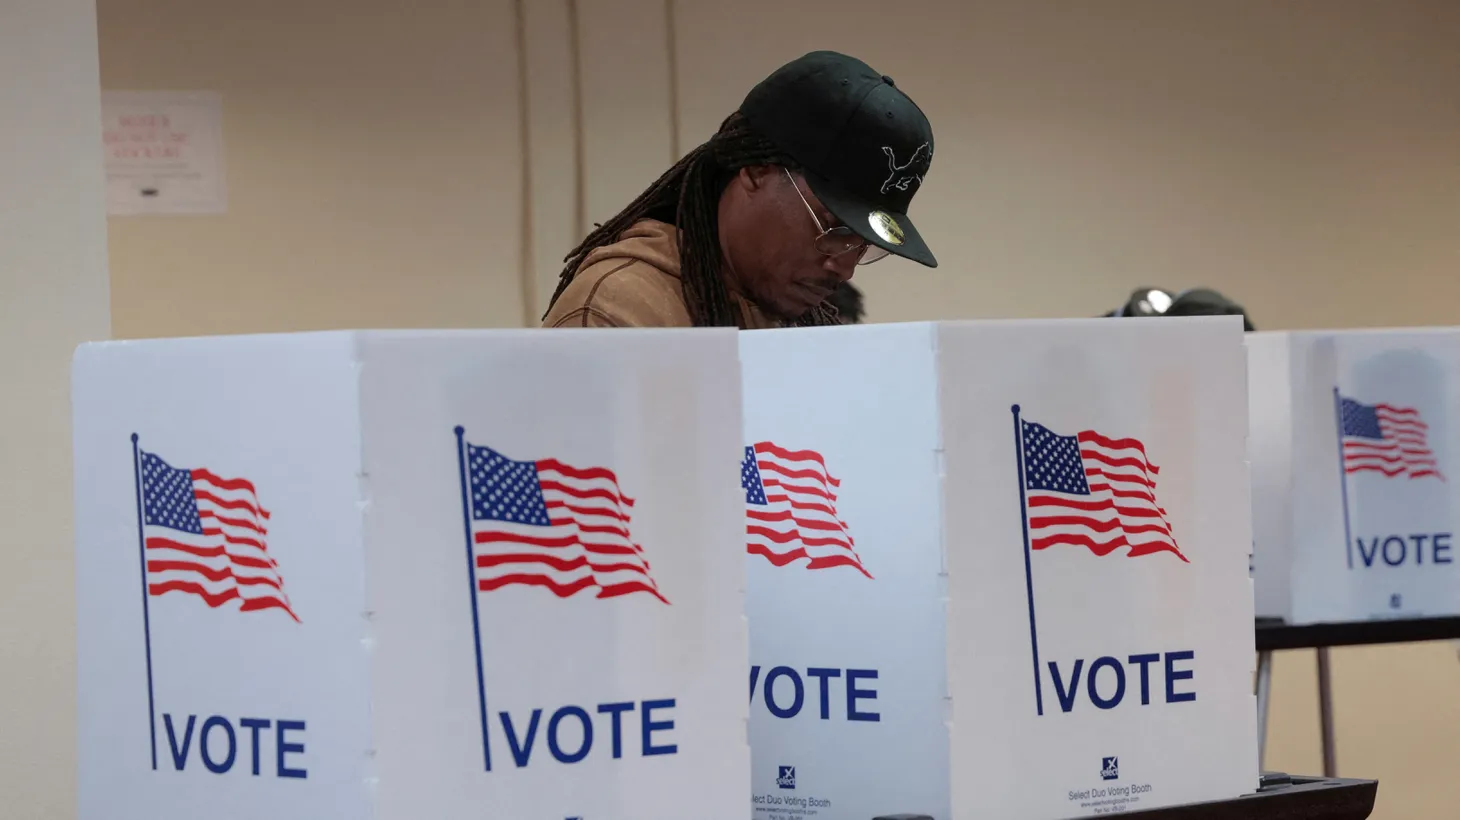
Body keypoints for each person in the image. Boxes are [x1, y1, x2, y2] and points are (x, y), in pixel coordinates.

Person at [541, 50, 938, 330]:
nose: (845, 267)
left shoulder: (793, 319)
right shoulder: (618, 315)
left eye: (862, 244)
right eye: (831, 225)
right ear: (755, 172)